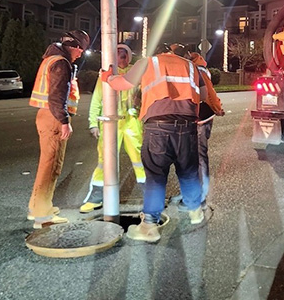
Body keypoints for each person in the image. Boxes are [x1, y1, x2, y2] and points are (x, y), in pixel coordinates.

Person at [101, 42, 224, 242]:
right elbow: (202, 95)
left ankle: (149, 225)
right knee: (188, 171)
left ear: (155, 51)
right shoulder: (191, 66)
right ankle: (195, 212)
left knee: (156, 176)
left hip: (158, 127)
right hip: (188, 127)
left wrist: (107, 77)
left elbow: (122, 84)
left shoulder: (148, 62)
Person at [27, 29, 90, 229]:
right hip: (54, 118)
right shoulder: (61, 64)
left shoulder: (51, 59)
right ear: (73, 46)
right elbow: (57, 97)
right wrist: (64, 121)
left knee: (46, 164)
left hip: (46, 116)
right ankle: (42, 217)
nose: (80, 54)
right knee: (51, 166)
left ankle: (37, 207)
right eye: (80, 49)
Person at [80, 43, 145, 212]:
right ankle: (96, 197)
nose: (120, 58)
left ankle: (149, 196)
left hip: (132, 121)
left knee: (139, 159)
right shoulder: (106, 75)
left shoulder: (136, 73)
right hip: (110, 123)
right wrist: (93, 123)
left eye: (124, 55)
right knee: (104, 160)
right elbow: (96, 100)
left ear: (129, 57)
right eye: (117, 55)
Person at [171, 48, 222, 209]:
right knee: (186, 157)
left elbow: (208, 93)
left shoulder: (197, 69)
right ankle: (190, 193)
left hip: (201, 117)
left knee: (198, 156)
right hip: (189, 117)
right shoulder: (186, 67)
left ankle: (201, 194)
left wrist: (217, 107)